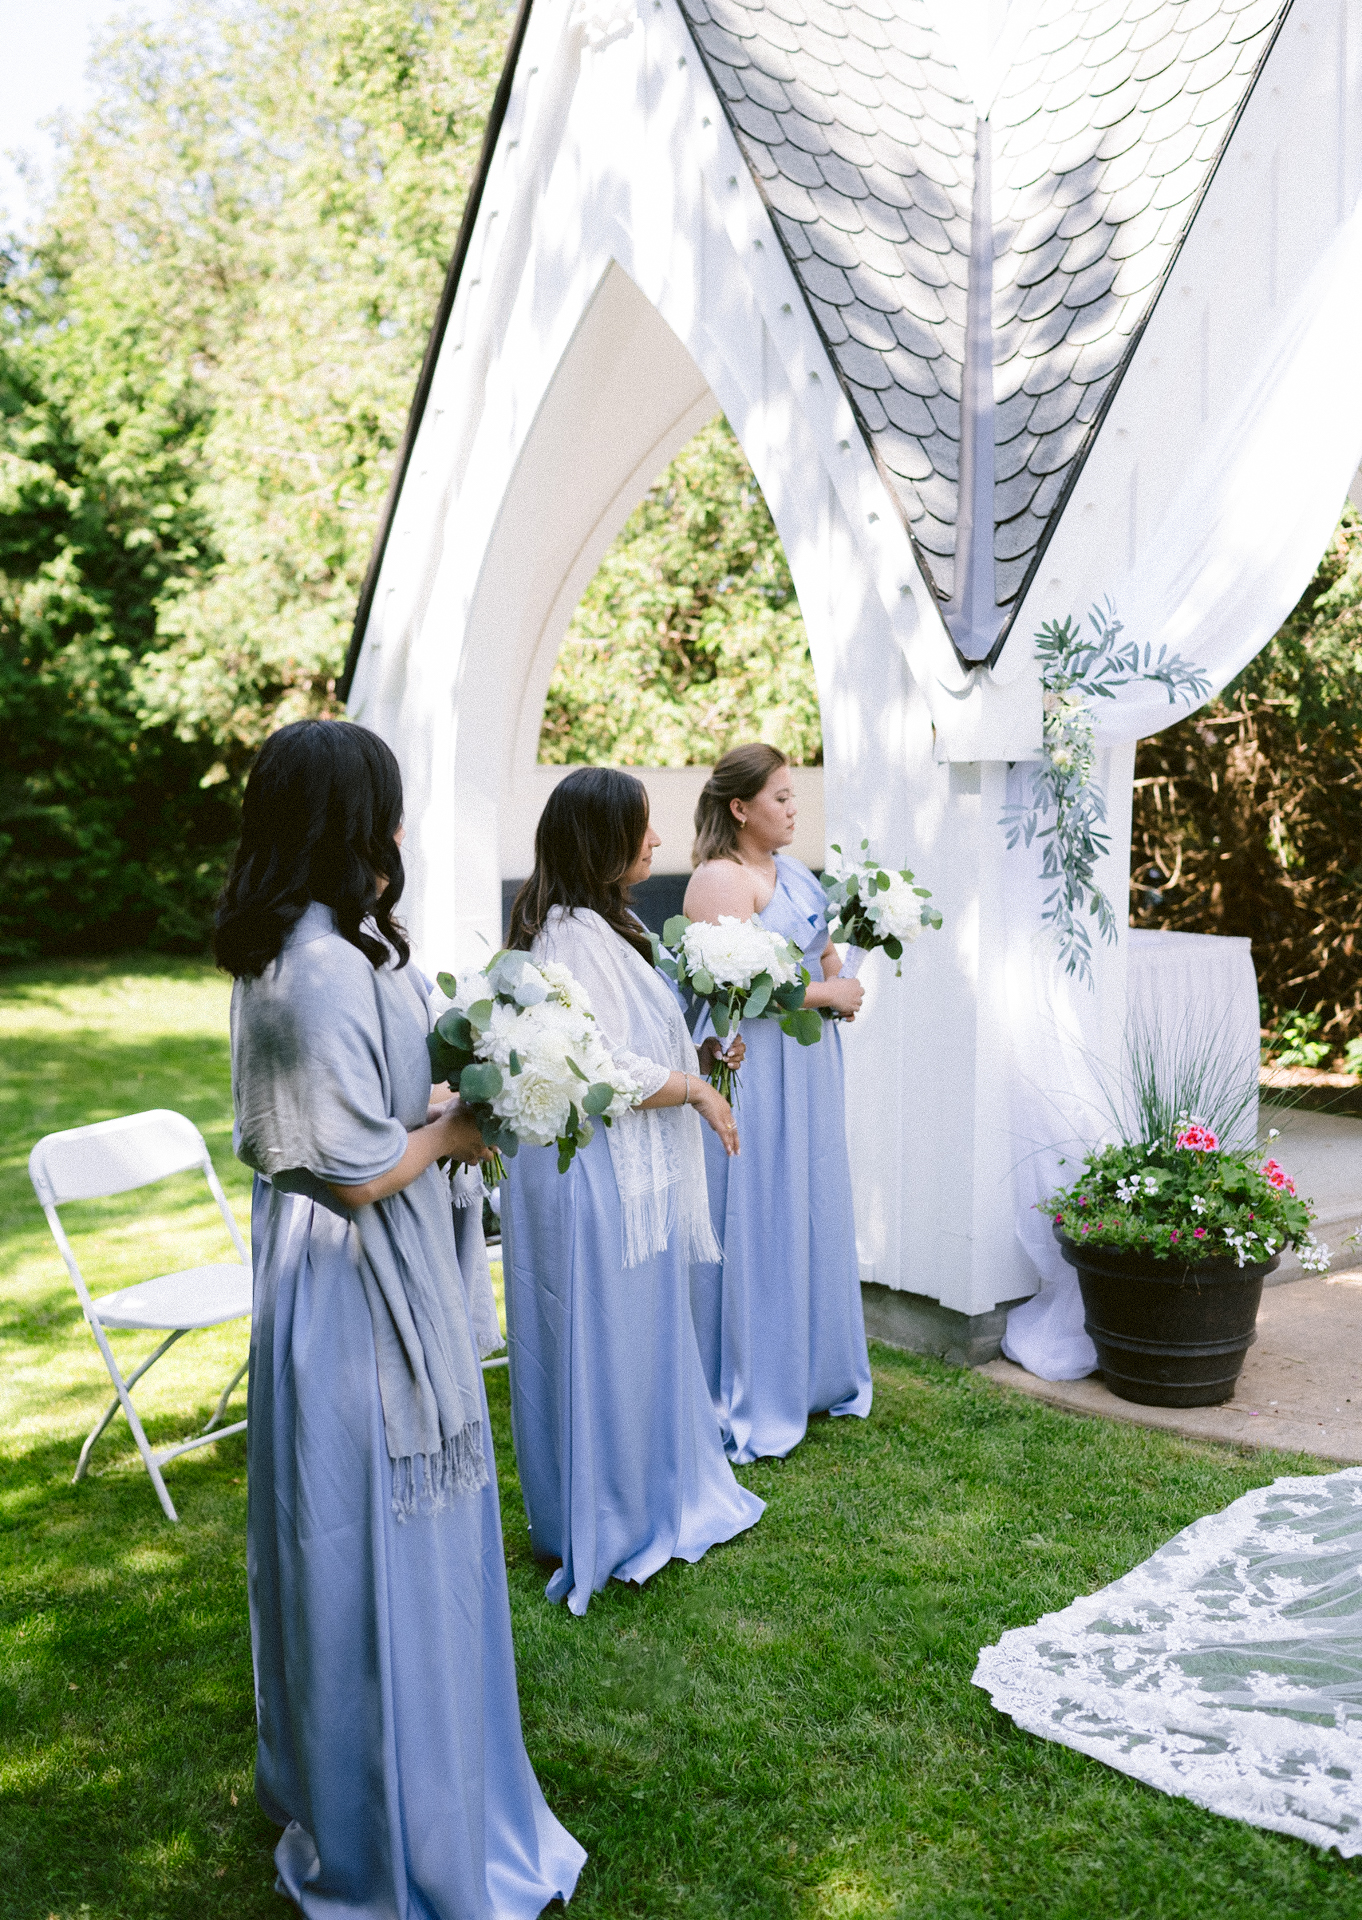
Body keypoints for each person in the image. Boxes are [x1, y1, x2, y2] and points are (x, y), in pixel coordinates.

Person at [219, 719, 584, 1919]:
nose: (402, 826)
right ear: (343, 821)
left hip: (329, 1271)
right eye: (386, 804)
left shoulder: (299, 949)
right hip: (352, 1287)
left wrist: (439, 1090)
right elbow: (361, 1168)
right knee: (367, 1538)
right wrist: (460, 1130)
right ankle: (397, 1816)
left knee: (353, 1538)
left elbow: (358, 1118)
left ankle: (389, 1775)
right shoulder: (316, 966)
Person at [499, 767, 765, 1615]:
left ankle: (645, 1490)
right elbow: (600, 1066)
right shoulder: (572, 937)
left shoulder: (594, 926)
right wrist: (695, 1091)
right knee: (602, 1336)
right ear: (602, 843)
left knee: (638, 1332)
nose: (657, 842)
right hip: (594, 1173)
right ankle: (612, 1511)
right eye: (642, 829)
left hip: (621, 1169)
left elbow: (629, 1036)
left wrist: (699, 1057)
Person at [685, 743, 872, 1463]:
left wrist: (838, 985)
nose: (795, 809)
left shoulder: (792, 873)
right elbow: (732, 988)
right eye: (781, 798)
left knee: (809, 1200)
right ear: (740, 807)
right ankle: (748, 1382)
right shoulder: (720, 881)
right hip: (752, 1065)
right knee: (757, 1205)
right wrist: (828, 992)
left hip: (808, 1063)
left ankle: (811, 1371)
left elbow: (822, 955)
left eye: (795, 797)